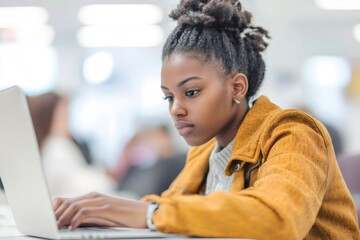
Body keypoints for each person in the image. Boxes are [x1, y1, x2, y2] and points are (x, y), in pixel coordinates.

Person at [53, 0, 360, 239]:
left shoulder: (293, 133)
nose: (176, 109)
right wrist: (105, 213)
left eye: (192, 92)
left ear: (237, 87)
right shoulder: (204, 152)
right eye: (169, 97)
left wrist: (148, 213)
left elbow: (278, 217)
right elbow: (173, 207)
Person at [28, 92, 115, 197]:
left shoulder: (60, 145)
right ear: (48, 118)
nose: (68, 123)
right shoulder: (57, 147)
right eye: (65, 116)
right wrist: (104, 177)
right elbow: (79, 185)